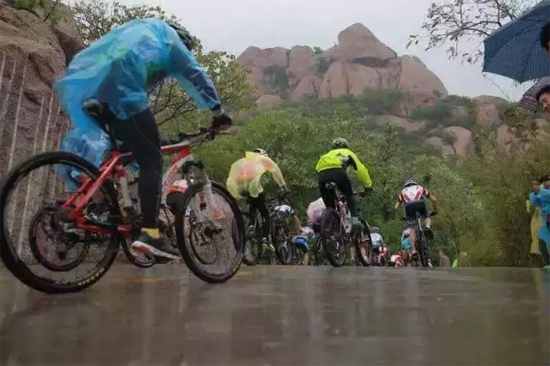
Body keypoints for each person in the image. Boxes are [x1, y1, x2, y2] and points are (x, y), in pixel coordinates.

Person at [55, 19, 232, 260]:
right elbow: (195, 74)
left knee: (126, 154)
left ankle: (106, 209)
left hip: (95, 90)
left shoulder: (141, 33)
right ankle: (150, 231)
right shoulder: (172, 41)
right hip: (123, 91)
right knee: (152, 159)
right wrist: (217, 111)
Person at [226, 148, 289, 249]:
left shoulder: (244, 161)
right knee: (265, 212)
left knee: (253, 204)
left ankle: (250, 225)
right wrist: (283, 186)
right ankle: (265, 238)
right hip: (253, 187)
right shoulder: (264, 159)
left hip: (237, 188)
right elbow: (276, 171)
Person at [315, 138, 372, 228]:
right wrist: (368, 185)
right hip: (338, 172)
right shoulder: (347, 152)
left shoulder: (326, 155)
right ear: (346, 146)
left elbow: (317, 169)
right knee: (348, 194)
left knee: (330, 207)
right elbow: (361, 170)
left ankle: (331, 228)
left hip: (322, 175)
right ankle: (354, 219)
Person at [395, 178, 438, 258]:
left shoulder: (403, 192)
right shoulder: (420, 187)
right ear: (415, 183)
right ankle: (427, 227)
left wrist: (401, 216)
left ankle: (414, 250)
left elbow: (396, 207)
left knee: (412, 228)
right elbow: (434, 199)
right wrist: (435, 210)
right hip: (420, 204)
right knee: (426, 215)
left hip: (409, 208)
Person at [529, 174, 550, 267]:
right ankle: (548, 263)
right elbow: (534, 202)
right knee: (542, 244)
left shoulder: (545, 191)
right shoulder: (542, 191)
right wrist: (536, 192)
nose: (546, 183)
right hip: (545, 219)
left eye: (548, 181)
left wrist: (540, 190)